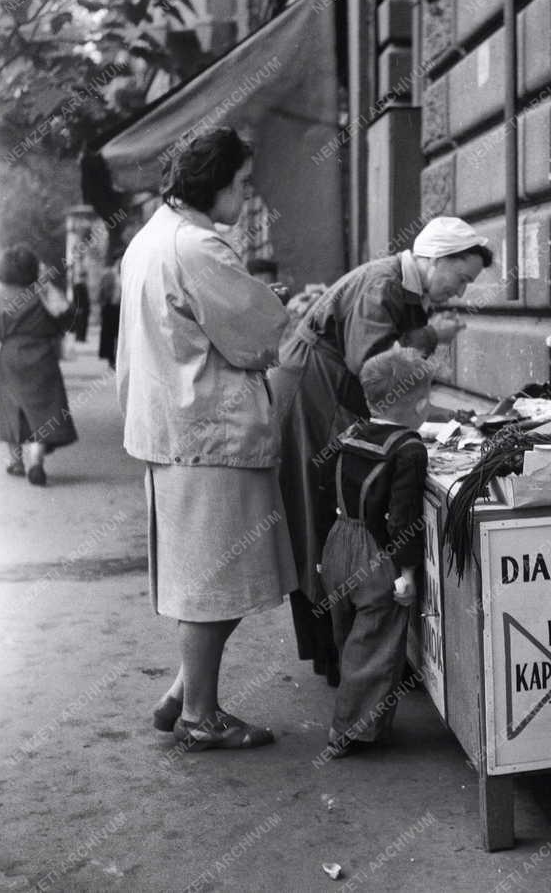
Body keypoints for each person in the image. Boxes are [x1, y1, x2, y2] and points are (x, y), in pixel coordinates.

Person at [117, 127, 296, 751]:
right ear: (215, 181)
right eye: (243, 183)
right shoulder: (198, 247)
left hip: (172, 427)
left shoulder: (149, 239)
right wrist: (282, 310)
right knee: (215, 582)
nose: (247, 196)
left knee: (213, 576)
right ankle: (199, 713)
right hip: (207, 432)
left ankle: (182, 693)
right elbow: (260, 337)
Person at [269, 215, 492, 684]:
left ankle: (349, 654)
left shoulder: (403, 287)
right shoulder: (383, 283)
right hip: (315, 395)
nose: (462, 291)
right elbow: (374, 366)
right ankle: (338, 659)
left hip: (326, 391)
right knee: (323, 520)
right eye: (462, 277)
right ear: (436, 259)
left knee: (334, 515)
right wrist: (435, 337)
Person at [320, 347, 431, 757]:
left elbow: (324, 489)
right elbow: (402, 519)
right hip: (375, 555)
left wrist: (323, 554)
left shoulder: (349, 436)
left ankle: (354, 717)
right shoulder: (409, 449)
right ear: (420, 404)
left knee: (348, 636)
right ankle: (348, 731)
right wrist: (408, 573)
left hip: (338, 542)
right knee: (375, 645)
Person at [0, 245, 77, 486]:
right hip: (43, 358)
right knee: (44, 412)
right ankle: (36, 462)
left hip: (10, 359)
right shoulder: (43, 292)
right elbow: (68, 318)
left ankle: (16, 461)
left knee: (11, 409)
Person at [97, 253, 121, 369]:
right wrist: (102, 305)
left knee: (120, 335)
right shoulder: (108, 275)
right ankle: (111, 358)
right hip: (109, 307)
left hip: (120, 308)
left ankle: (118, 358)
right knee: (109, 335)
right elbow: (101, 291)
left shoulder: (125, 274)